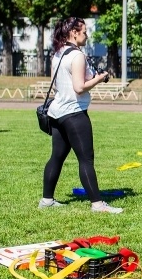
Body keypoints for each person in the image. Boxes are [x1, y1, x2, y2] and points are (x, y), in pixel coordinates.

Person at [40, 17, 122, 214]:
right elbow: (79, 87)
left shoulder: (58, 54)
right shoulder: (77, 56)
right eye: (84, 32)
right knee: (86, 159)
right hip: (74, 113)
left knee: (56, 157)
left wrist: (93, 78)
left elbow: (60, 83)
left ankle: (47, 200)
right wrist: (100, 78)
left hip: (57, 113)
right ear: (74, 33)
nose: (87, 35)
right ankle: (97, 204)